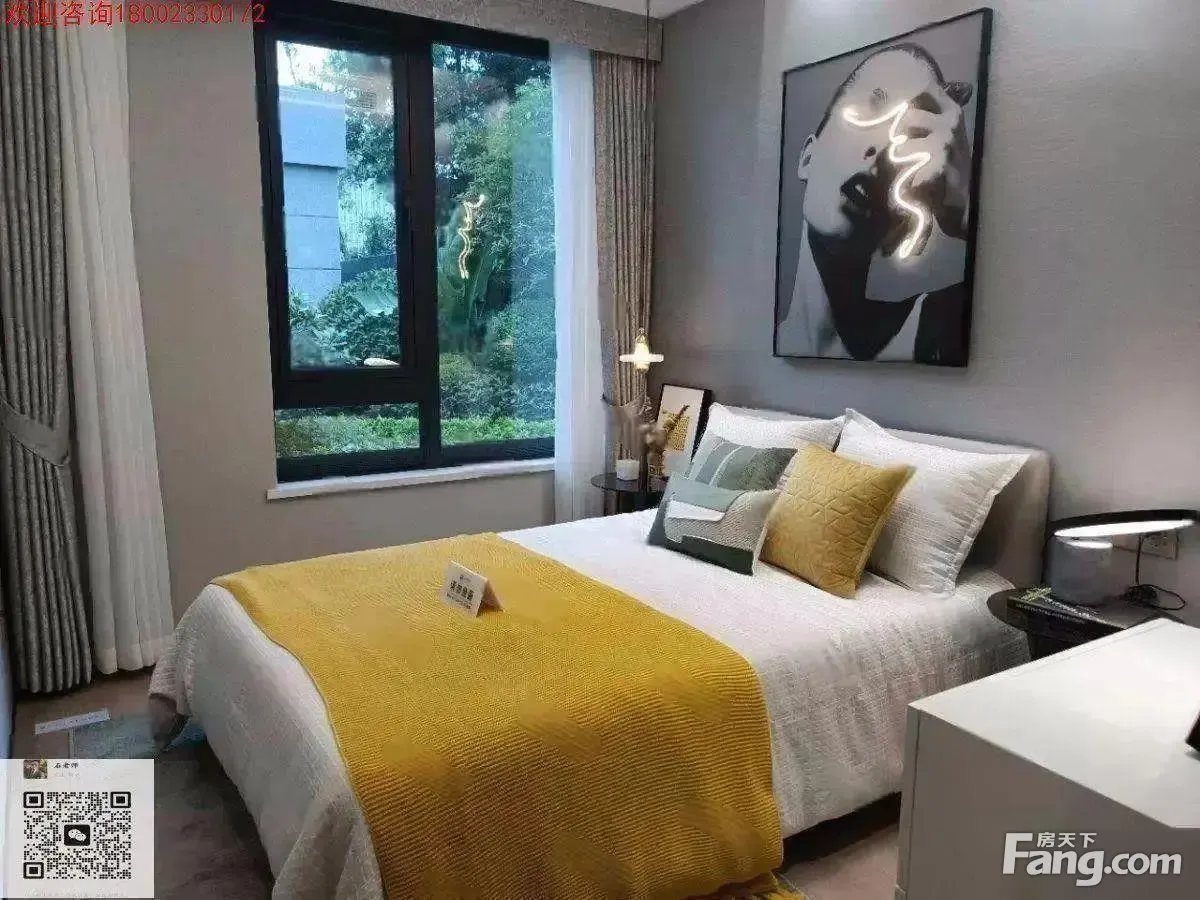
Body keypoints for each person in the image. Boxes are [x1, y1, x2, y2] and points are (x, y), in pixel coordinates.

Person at [776, 43, 976, 364]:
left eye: (909, 137)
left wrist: (965, 210)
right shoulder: (747, 347)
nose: (882, 149)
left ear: (900, 230)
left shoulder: (937, 327)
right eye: (868, 111)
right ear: (808, 158)